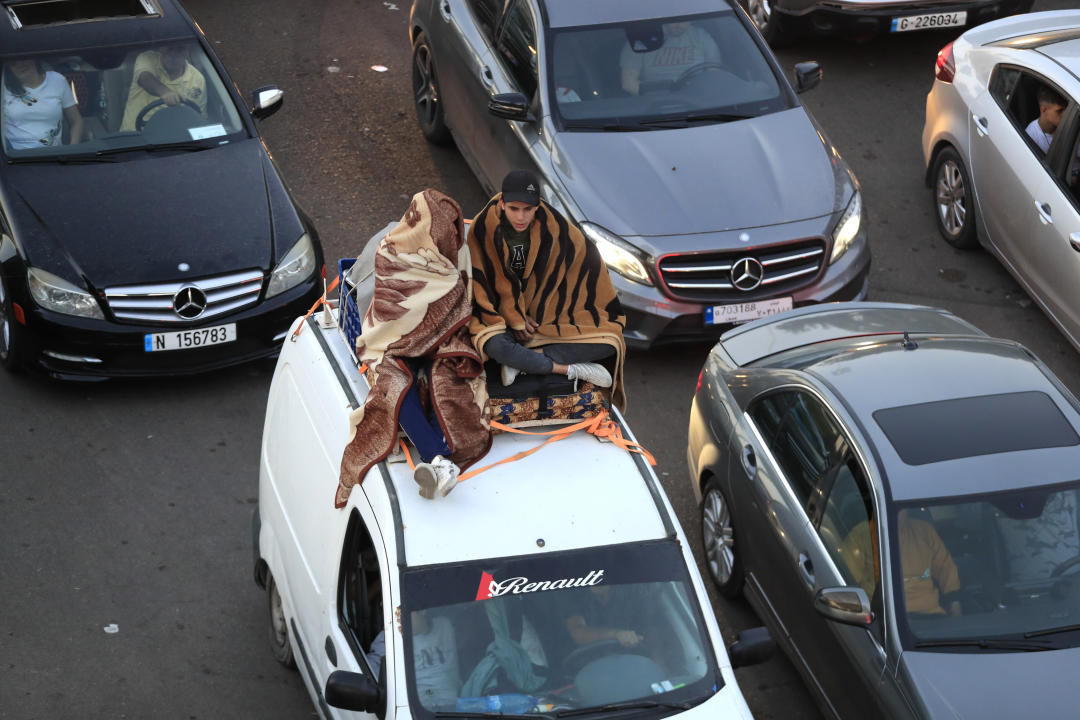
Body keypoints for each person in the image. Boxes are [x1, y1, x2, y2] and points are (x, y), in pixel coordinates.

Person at [336, 190, 491, 506]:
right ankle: (439, 457)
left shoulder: (456, 251)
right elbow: (389, 309)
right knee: (397, 385)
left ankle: (438, 462)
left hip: (437, 343)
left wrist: (436, 338)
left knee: (442, 379)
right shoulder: (392, 250)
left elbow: (462, 296)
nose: (450, 237)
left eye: (453, 230)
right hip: (393, 343)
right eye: (444, 230)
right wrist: (415, 337)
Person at [468, 170, 627, 408]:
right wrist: (516, 319)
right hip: (501, 319)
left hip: (546, 320)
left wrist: (534, 315)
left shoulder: (553, 226)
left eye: (528, 209)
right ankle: (569, 370)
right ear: (502, 203)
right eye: (514, 209)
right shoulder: (483, 228)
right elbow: (480, 284)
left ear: (538, 205)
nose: (521, 216)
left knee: (610, 340)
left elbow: (583, 261)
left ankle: (522, 363)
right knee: (494, 344)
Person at [843, 508, 961, 616]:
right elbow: (846, 581)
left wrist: (955, 603)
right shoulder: (861, 534)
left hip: (929, 613)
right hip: (881, 616)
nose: (896, 512)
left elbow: (946, 569)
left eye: (900, 508)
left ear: (907, 510)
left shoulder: (925, 531)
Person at [120, 44, 207, 131]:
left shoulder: (197, 79)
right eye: (169, 48)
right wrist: (165, 92)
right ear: (161, 48)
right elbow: (145, 77)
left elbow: (199, 118)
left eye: (180, 49)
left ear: (187, 51)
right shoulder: (147, 58)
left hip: (173, 139)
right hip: (134, 137)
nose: (173, 54)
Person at [620, 21, 721, 96]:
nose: (680, 25)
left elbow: (714, 76)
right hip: (654, 107)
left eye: (685, 19)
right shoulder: (639, 40)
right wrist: (658, 99)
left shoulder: (701, 36)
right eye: (676, 20)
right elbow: (628, 83)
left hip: (697, 103)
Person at [2, 58, 84, 149]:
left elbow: (76, 121)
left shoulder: (57, 80)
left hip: (53, 156)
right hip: (13, 157)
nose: (20, 64)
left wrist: (72, 151)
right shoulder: (3, 87)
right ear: (8, 68)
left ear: (34, 58)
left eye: (24, 58)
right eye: (13, 63)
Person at [1025, 85, 1066, 155]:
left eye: (1066, 109)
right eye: (1060, 111)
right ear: (1044, 110)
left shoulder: (1070, 125)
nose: (1065, 114)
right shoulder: (1031, 136)